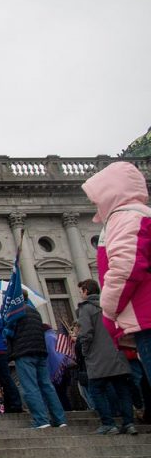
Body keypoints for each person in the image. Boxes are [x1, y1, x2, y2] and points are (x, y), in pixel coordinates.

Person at [82, 162, 151, 381]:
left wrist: (109, 310)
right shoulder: (135, 215)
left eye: (97, 198)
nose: (94, 204)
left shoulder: (126, 218)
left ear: (111, 193)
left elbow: (125, 267)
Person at [75, 279, 138, 435]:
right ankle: (129, 423)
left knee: (96, 389)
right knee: (122, 390)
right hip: (117, 354)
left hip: (98, 356)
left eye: (81, 291)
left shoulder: (86, 308)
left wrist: (85, 351)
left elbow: (86, 333)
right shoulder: (110, 305)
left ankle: (108, 423)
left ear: (85, 291)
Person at [7, 293, 68, 429]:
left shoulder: (16, 312)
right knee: (47, 386)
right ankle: (60, 419)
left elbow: (9, 333)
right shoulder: (35, 312)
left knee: (30, 387)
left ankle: (41, 420)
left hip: (24, 353)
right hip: (40, 352)